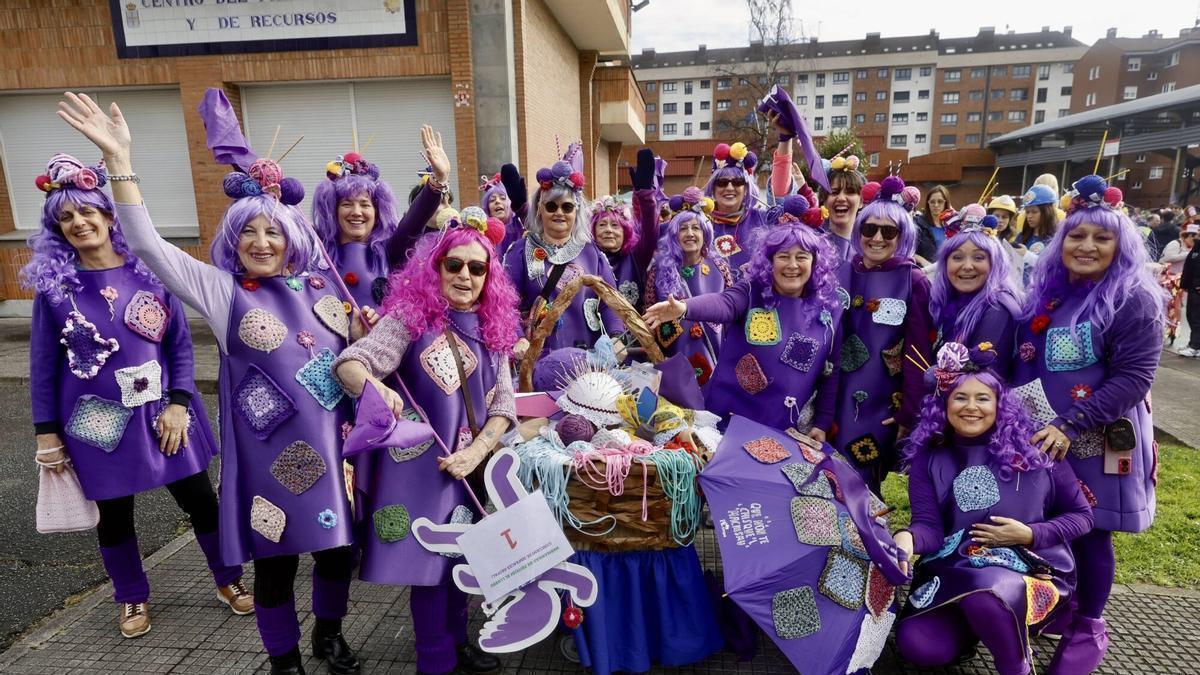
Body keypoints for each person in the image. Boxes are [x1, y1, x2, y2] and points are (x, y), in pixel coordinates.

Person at [60, 89, 365, 674]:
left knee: (337, 553)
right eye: (248, 232)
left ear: (293, 237)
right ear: (233, 238)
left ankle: (330, 636)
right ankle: (284, 661)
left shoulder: (326, 289)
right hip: (271, 463)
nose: (262, 243)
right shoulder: (221, 292)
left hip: (336, 452)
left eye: (273, 232)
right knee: (277, 564)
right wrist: (119, 159)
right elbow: (147, 245)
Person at [24, 153, 250, 639]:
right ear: (57, 228)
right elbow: (42, 367)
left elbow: (180, 348)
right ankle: (131, 597)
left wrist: (179, 404)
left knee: (200, 500)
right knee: (114, 515)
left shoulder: (151, 272)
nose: (79, 222)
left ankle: (228, 580)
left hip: (163, 413)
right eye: (66, 217)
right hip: (93, 422)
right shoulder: (55, 290)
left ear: (109, 216)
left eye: (88, 211)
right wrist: (47, 435)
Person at [333, 221, 516, 675]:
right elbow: (350, 362)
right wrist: (374, 387)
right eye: (454, 264)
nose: (465, 276)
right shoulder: (408, 320)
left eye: (478, 268)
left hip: (471, 469)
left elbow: (505, 406)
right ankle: (434, 661)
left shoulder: (496, 330)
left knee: (464, 560)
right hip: (422, 472)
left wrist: (477, 454)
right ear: (434, 268)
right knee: (430, 569)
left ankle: (458, 643)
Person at [1012, 175, 1166, 673]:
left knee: (1093, 531)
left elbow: (1135, 377)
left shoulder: (1134, 298)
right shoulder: (1054, 294)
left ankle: (1088, 628)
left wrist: (1072, 423)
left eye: (1102, 237)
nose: (1088, 246)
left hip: (1099, 439)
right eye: (1077, 236)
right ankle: (1069, 606)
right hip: (1049, 437)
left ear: (1121, 245)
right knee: (1060, 526)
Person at [893, 343, 1092, 675]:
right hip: (953, 569)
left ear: (1000, 404)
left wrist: (1031, 533)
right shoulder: (929, 456)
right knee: (920, 646)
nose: (971, 407)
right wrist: (906, 538)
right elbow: (929, 526)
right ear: (943, 405)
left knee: (986, 591)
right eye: (960, 398)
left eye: (982, 398)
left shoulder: (1036, 449)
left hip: (1027, 572)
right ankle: (978, 627)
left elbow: (1082, 516)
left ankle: (1017, 665)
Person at [643, 195, 842, 436]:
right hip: (729, 423)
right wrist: (685, 308)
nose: (792, 265)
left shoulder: (830, 310)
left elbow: (831, 372)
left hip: (788, 431)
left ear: (815, 263)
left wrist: (822, 423)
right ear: (769, 261)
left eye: (802, 257)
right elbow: (724, 303)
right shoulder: (751, 290)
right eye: (783, 256)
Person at [832, 176, 933, 492]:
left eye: (888, 231)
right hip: (835, 395)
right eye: (869, 229)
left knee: (868, 479)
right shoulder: (843, 271)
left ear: (903, 236)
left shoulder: (913, 280)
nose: (877, 237)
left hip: (883, 403)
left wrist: (909, 411)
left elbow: (919, 353)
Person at [503, 144, 624, 357]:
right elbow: (505, 302)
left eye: (566, 207)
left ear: (576, 211)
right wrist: (517, 336)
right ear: (540, 209)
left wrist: (616, 337)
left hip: (589, 359)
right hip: (537, 358)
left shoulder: (591, 253)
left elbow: (611, 301)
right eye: (551, 206)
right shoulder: (520, 251)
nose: (559, 212)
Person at [643, 188, 732, 378]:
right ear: (674, 235)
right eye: (683, 228)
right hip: (672, 366)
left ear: (705, 233)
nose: (690, 234)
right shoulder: (657, 270)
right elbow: (649, 319)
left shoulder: (720, 268)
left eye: (696, 228)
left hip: (716, 363)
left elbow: (732, 318)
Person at [930, 218, 1023, 377]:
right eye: (957, 257)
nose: (967, 266)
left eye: (978, 257)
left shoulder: (997, 308)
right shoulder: (952, 300)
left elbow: (982, 379)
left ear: (995, 263)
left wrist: (934, 378)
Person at [312, 148, 401, 309]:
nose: (356, 212)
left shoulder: (391, 250)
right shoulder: (316, 247)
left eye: (365, 204)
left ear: (377, 213)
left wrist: (435, 186)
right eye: (347, 204)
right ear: (334, 211)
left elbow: (415, 224)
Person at [703, 141, 766, 274]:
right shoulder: (700, 223)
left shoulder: (762, 218)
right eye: (722, 183)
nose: (730, 188)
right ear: (713, 189)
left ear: (746, 189)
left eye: (737, 182)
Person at [1162, 224, 1196, 350]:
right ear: (1188, 236)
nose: (1194, 242)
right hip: (1168, 282)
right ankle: (1163, 330)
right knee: (1167, 307)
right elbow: (1167, 258)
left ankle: (1173, 330)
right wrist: (1187, 254)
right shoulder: (1175, 244)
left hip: (1181, 283)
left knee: (1177, 309)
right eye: (1193, 239)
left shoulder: (1192, 247)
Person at [987, 195, 1024, 287]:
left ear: (1010, 220)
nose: (1000, 220)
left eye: (1004, 217)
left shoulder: (1015, 239)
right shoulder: (981, 236)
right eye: (996, 216)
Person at [914, 184, 954, 263]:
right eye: (932, 202)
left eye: (940, 201)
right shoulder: (917, 224)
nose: (936, 205)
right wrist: (924, 262)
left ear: (946, 203)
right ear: (928, 203)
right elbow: (907, 251)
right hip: (928, 271)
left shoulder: (953, 225)